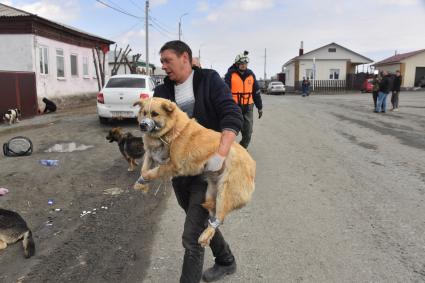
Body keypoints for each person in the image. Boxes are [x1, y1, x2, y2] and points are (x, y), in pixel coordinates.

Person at [153, 40, 243, 283]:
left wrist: (221, 154)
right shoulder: (162, 92)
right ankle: (226, 261)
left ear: (185, 58)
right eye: (161, 62)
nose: (163, 67)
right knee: (198, 220)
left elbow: (231, 114)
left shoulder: (209, 80)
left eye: (167, 61)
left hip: (208, 173)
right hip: (181, 173)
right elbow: (155, 127)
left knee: (191, 237)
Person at [224, 51, 263, 149]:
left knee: (248, 131)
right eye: (241, 64)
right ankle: (227, 149)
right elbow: (224, 92)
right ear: (237, 64)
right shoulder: (230, 74)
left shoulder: (251, 74)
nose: (243, 65)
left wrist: (260, 107)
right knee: (231, 130)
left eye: (245, 64)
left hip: (248, 106)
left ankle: (242, 149)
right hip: (234, 106)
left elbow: (256, 92)